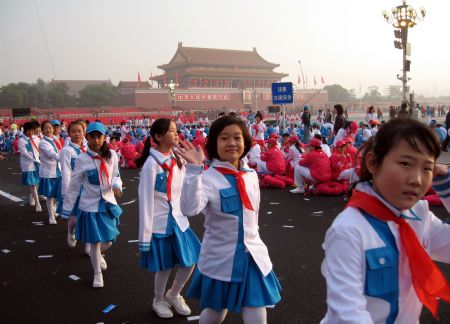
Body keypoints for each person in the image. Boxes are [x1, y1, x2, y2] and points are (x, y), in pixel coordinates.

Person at [320, 118, 450, 323]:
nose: (417, 179)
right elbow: (348, 315)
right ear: (372, 163)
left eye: (427, 168)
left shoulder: (419, 216)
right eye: (406, 163)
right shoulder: (348, 230)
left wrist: (446, 184)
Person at [177, 115, 281, 324]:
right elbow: (189, 208)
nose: (232, 143)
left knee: (257, 312)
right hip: (221, 259)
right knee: (215, 313)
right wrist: (194, 172)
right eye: (224, 138)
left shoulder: (251, 175)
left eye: (237, 137)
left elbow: (254, 217)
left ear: (246, 142)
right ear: (214, 143)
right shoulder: (208, 178)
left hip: (252, 256)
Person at [136, 118, 200, 319]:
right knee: (164, 266)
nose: (177, 133)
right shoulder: (151, 165)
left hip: (179, 219)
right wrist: (145, 236)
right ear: (158, 136)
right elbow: (145, 200)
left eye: (176, 130)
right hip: (160, 221)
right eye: (172, 131)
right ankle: (158, 299)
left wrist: (197, 164)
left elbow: (186, 187)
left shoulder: (177, 157)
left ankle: (174, 294)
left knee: (190, 260)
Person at [62, 122, 123, 288]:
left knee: (109, 240)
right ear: (87, 138)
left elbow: (116, 175)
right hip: (89, 205)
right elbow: (74, 185)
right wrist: (67, 209)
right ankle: (97, 273)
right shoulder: (82, 159)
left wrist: (117, 186)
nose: (96, 140)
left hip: (108, 203)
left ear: (104, 138)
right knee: (95, 241)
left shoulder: (112, 155)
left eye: (99, 136)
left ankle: (99, 255)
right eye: (92, 136)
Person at [59, 121, 87, 249]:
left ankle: (89, 247)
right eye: (73, 131)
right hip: (74, 188)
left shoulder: (88, 148)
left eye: (79, 131)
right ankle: (71, 232)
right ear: (69, 133)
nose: (77, 134)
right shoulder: (66, 151)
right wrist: (66, 194)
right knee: (74, 219)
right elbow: (65, 173)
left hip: (89, 188)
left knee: (89, 218)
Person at [38, 121, 61, 225]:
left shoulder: (55, 140)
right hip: (48, 172)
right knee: (50, 195)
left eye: (50, 128)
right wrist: (64, 158)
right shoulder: (43, 142)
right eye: (46, 128)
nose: (49, 130)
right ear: (42, 130)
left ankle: (54, 210)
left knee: (57, 194)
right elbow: (51, 154)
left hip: (57, 170)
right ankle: (51, 216)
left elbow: (59, 151)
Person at [18, 121, 41, 212]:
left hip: (38, 163)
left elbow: (40, 149)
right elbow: (24, 153)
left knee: (37, 182)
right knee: (33, 184)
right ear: (25, 131)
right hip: (29, 164)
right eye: (29, 131)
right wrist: (34, 160)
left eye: (32, 131)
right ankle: (38, 204)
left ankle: (32, 196)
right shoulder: (22, 140)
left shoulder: (36, 138)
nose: (31, 133)